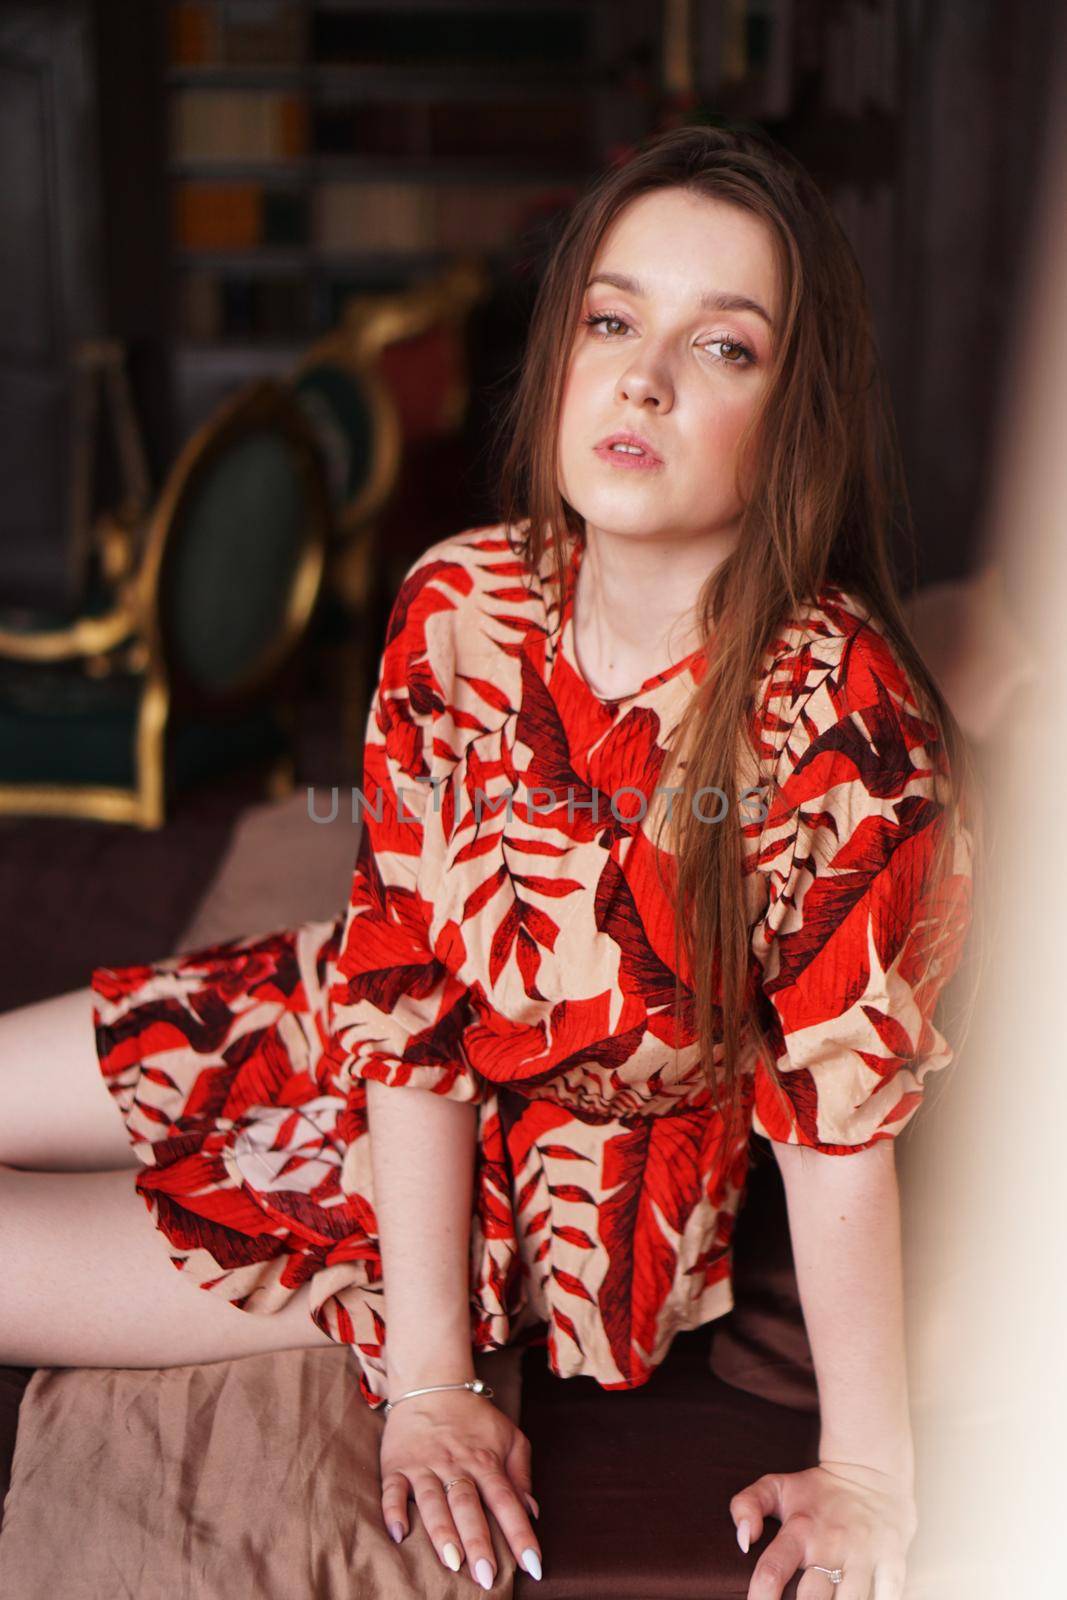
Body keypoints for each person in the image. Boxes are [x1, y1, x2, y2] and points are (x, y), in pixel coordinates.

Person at [0, 122, 977, 1599]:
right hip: (354, 1020)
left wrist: (860, 1474)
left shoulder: (845, 722)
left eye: (725, 348)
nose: (643, 375)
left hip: (544, 1173)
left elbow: (836, 1127)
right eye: (611, 318)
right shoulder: (457, 600)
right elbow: (395, 981)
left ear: (798, 416)